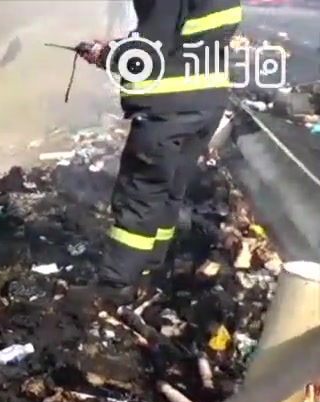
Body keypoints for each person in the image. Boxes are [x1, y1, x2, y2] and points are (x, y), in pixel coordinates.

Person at [69, 0, 241, 316]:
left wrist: (106, 55)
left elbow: (150, 50)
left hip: (169, 108)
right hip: (207, 101)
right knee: (170, 190)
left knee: (140, 195)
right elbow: (183, 36)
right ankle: (150, 267)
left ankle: (115, 286)